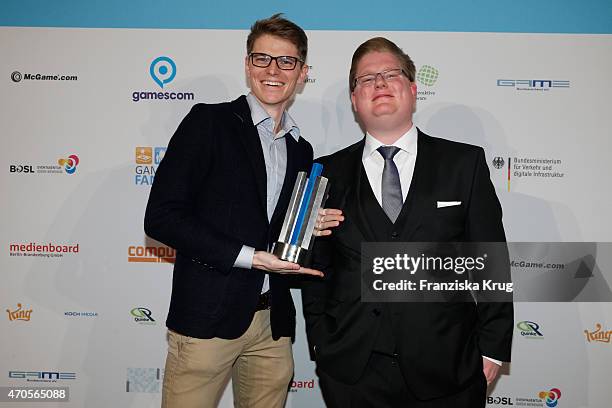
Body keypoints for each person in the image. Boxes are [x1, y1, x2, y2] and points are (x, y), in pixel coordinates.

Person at [301, 37, 513, 408]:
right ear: (354, 99)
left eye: (390, 74)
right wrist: (320, 339)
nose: (379, 84)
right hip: (352, 372)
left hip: (449, 370)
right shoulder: (325, 172)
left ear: (413, 90)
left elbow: (490, 259)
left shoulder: (464, 165)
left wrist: (493, 349)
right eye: (366, 80)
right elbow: (317, 268)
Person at [145, 14, 336, 408]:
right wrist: (250, 258)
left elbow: (278, 229)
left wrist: (307, 228)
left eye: (287, 61)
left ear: (302, 73)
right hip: (206, 321)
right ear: (248, 65)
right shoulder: (209, 123)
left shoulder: (302, 149)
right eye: (263, 58)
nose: (273, 70)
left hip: (272, 325)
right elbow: (162, 217)